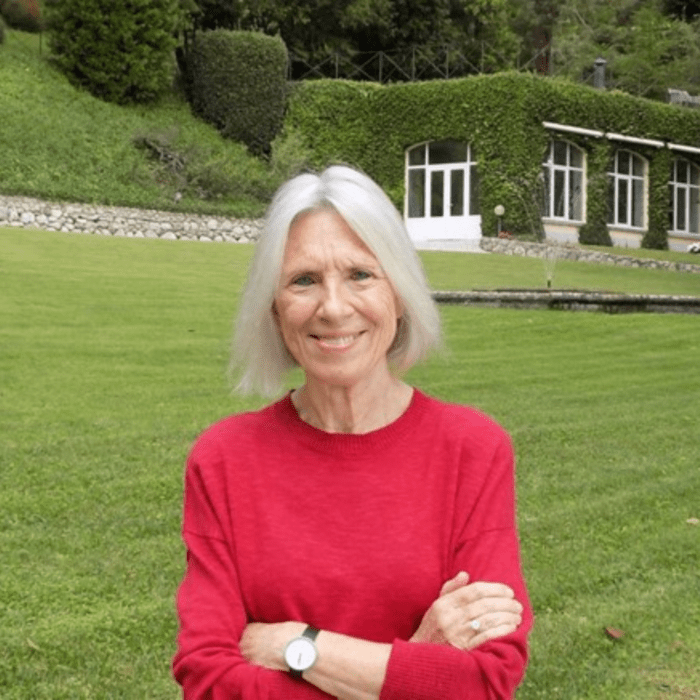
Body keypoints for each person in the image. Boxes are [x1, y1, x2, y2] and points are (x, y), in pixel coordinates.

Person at [172, 165, 533, 700]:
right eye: (303, 280)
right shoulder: (224, 459)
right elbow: (208, 681)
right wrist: (416, 653)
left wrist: (300, 645)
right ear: (273, 309)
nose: (334, 308)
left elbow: (485, 681)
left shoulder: (472, 450)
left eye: (360, 275)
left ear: (400, 293)